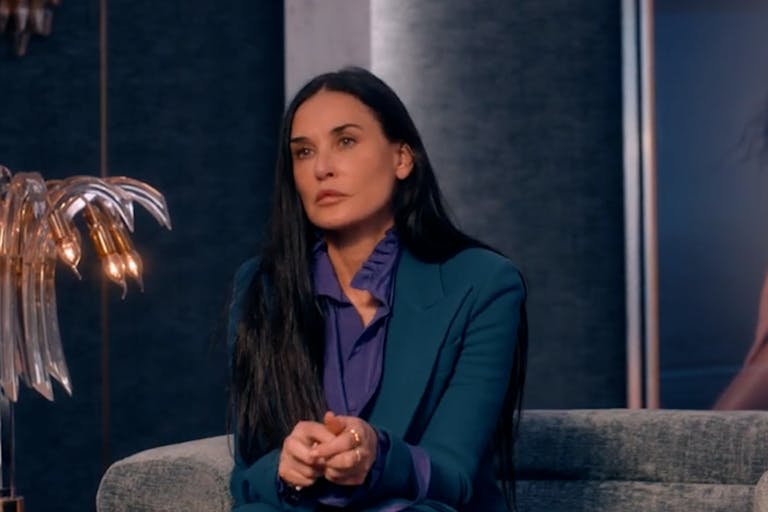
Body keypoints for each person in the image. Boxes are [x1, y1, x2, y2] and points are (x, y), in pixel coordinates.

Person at [227, 67, 528, 511]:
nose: (322, 168)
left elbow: (456, 475)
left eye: (345, 141)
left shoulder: (484, 285)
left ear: (402, 158)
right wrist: (283, 469)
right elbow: (246, 476)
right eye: (303, 152)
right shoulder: (263, 287)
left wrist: (378, 454)